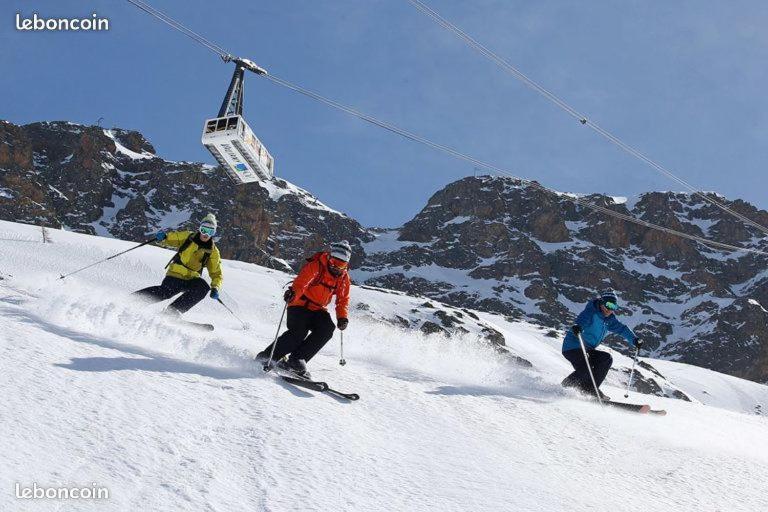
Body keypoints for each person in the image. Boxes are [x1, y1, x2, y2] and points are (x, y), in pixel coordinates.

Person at [258, 240, 352, 379]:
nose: (336, 267)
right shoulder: (317, 265)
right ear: (329, 257)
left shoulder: (343, 278)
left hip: (318, 309)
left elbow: (343, 300)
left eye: (341, 264)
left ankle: (296, 360)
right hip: (300, 304)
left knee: (327, 329)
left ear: (346, 264)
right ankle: (268, 356)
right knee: (298, 332)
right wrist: (293, 294)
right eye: (334, 261)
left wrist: (342, 317)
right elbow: (302, 282)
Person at [134, 213, 223, 316]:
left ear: (214, 233)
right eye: (204, 230)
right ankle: (135, 300)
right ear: (199, 228)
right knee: (166, 292)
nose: (206, 234)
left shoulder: (213, 251)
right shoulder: (188, 237)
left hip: (191, 279)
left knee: (202, 287)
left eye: (210, 231)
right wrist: (163, 237)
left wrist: (215, 287)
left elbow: (216, 273)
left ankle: (171, 312)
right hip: (175, 274)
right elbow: (172, 238)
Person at [561, 292, 641, 400]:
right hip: (573, 347)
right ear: (601, 303)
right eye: (608, 305)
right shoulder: (591, 312)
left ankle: (590, 388)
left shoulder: (609, 320)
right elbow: (581, 321)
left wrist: (634, 339)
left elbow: (622, 329)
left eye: (613, 307)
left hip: (588, 349)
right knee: (586, 369)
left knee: (606, 359)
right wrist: (577, 327)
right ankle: (566, 385)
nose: (610, 309)